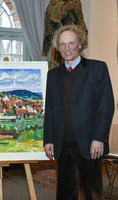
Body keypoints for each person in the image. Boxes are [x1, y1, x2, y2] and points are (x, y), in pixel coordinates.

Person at [43, 24, 115, 199]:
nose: (67, 48)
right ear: (57, 48)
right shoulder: (53, 75)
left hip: (90, 144)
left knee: (91, 192)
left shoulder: (97, 69)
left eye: (71, 43)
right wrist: (49, 139)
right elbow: (50, 109)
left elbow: (106, 106)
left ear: (80, 45)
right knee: (65, 193)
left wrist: (99, 138)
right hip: (63, 144)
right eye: (62, 44)